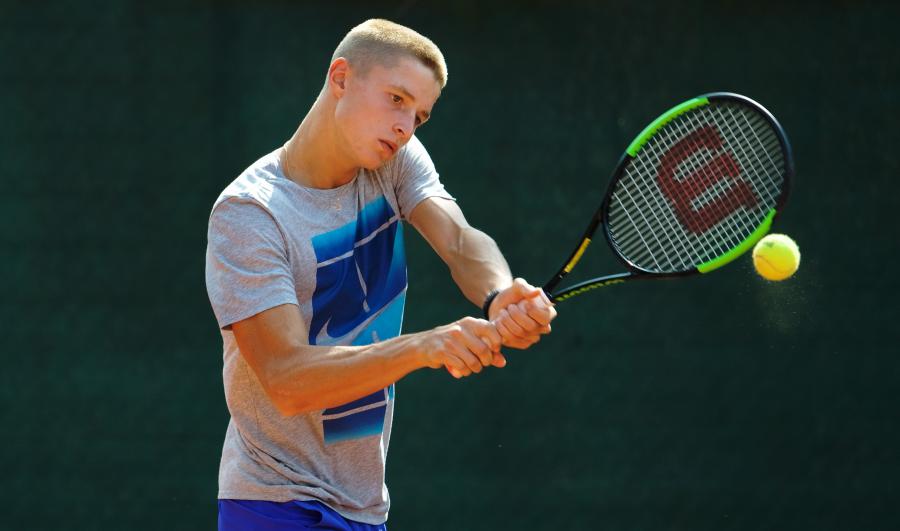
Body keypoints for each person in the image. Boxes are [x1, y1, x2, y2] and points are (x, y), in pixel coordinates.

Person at [205, 18, 557, 531]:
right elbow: (286, 380)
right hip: (275, 504)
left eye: (419, 116)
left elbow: (459, 239)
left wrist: (498, 293)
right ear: (341, 77)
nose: (405, 127)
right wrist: (424, 347)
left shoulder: (395, 161)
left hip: (364, 506)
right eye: (396, 99)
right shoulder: (251, 213)